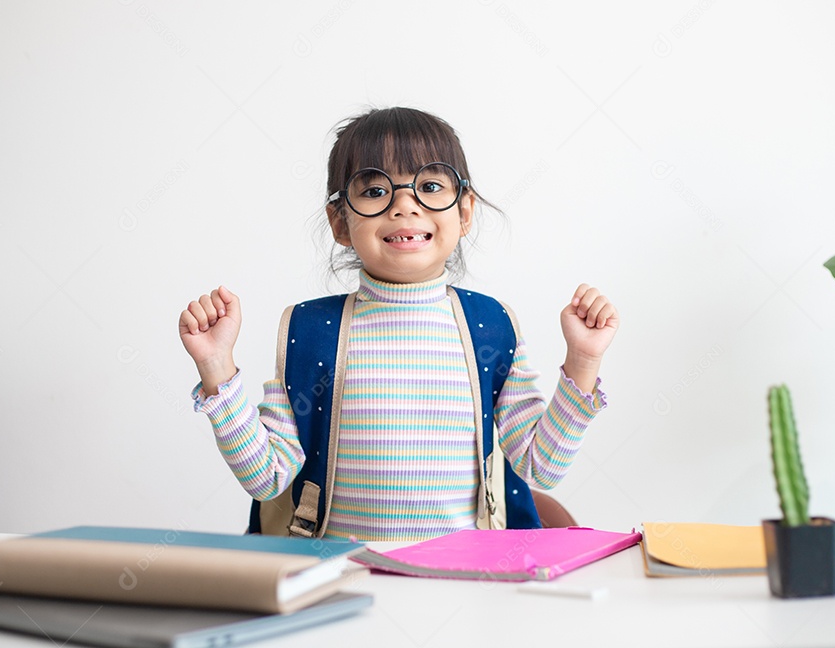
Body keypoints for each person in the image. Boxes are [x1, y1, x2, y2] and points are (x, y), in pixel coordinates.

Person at [179, 107, 618, 541]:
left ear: (464, 213)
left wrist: (583, 360)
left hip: (462, 581)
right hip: (341, 581)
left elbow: (541, 466)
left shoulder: (490, 325)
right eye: (374, 191)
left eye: (429, 186)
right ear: (340, 222)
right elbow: (267, 479)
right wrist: (217, 369)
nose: (404, 205)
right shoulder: (310, 331)